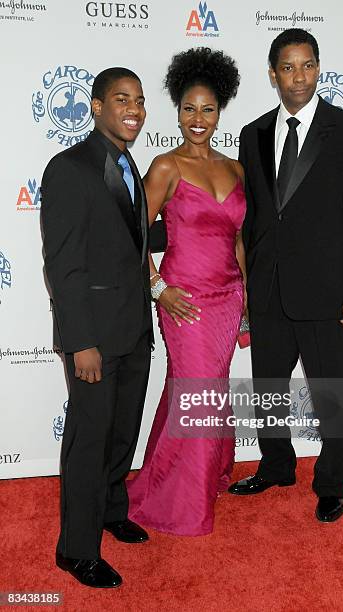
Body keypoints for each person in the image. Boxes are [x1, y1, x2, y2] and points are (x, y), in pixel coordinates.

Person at [228, 29, 343, 522]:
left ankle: (334, 480)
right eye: (288, 67)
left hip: (329, 294)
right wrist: (247, 289)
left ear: (319, 68)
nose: (299, 76)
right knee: (269, 387)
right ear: (272, 74)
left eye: (307, 65)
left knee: (332, 394)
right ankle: (276, 465)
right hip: (269, 290)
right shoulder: (252, 134)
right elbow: (253, 217)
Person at [41, 67, 153, 588]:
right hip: (94, 339)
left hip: (134, 330)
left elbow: (133, 249)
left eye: (139, 100)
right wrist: (80, 341)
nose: (133, 109)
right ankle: (76, 549)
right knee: (88, 441)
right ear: (95, 106)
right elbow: (63, 266)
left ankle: (112, 510)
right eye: (120, 99)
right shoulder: (69, 168)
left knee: (121, 432)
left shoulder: (132, 165)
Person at [127, 47, 245, 536]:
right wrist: (159, 290)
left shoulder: (237, 169)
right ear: (177, 110)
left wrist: (249, 306)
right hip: (185, 300)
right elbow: (132, 236)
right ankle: (181, 503)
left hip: (229, 299)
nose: (198, 119)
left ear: (221, 112)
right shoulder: (164, 167)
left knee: (201, 392)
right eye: (189, 109)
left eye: (208, 109)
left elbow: (238, 239)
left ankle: (178, 474)